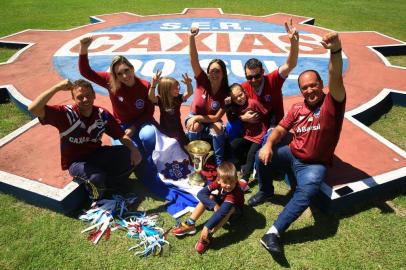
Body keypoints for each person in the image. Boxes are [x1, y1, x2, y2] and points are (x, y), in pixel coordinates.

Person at [248, 32, 346, 254]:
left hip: (314, 164)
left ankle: (273, 232)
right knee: (261, 156)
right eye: (304, 88)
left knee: (307, 192)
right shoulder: (297, 108)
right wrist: (268, 145)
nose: (309, 90)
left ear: (321, 84)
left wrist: (335, 50)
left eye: (313, 85)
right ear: (300, 90)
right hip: (292, 153)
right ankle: (266, 190)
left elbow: (336, 75)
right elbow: (281, 129)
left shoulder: (333, 103)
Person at [28, 79, 142, 200]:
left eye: (88, 95)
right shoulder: (65, 114)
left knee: (130, 154)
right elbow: (33, 109)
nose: (85, 99)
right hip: (76, 162)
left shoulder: (102, 114)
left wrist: (134, 150)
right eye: (80, 97)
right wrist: (56, 87)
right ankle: (97, 199)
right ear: (74, 99)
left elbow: (121, 135)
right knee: (96, 178)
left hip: (97, 154)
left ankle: (112, 186)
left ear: (94, 95)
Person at [79, 37, 156, 156]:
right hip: (122, 124)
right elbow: (86, 72)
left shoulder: (145, 86)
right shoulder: (110, 81)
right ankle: (119, 141)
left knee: (149, 136)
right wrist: (84, 48)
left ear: (132, 68)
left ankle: (153, 156)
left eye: (126, 70)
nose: (125, 76)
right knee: (126, 151)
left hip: (142, 122)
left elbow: (149, 112)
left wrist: (134, 127)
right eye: (119, 74)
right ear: (114, 75)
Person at [226, 18, 299, 140]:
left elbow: (290, 65)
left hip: (273, 125)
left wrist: (294, 42)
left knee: (267, 142)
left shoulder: (273, 79)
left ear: (263, 72)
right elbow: (233, 111)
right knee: (230, 127)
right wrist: (242, 118)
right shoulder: (243, 88)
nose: (253, 80)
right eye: (249, 77)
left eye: (257, 76)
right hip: (254, 126)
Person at [171, 161, 244, 254]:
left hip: (235, 211)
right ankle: (190, 223)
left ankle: (209, 235)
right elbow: (201, 193)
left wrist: (206, 227)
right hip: (223, 202)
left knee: (230, 209)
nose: (229, 185)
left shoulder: (234, 192)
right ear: (218, 180)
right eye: (225, 182)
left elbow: (222, 212)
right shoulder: (218, 181)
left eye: (232, 182)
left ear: (236, 179)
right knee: (208, 197)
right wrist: (213, 205)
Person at [185, 27, 229, 166]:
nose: (214, 74)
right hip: (194, 117)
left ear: (223, 74)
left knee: (218, 127)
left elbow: (216, 118)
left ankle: (219, 162)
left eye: (217, 71)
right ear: (208, 73)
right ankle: (195, 159)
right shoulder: (202, 80)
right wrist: (191, 38)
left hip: (211, 120)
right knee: (194, 125)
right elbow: (194, 60)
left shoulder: (226, 92)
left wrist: (199, 117)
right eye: (211, 71)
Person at [225, 83, 269, 191]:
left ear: (245, 92)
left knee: (251, 153)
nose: (239, 99)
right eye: (235, 98)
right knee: (233, 144)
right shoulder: (236, 107)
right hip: (247, 136)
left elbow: (266, 113)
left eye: (240, 95)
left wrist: (267, 130)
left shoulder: (253, 103)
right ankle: (244, 165)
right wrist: (228, 105)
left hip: (259, 136)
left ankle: (244, 180)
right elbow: (231, 117)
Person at [148, 70, 193, 146]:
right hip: (165, 130)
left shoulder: (178, 98)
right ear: (166, 90)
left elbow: (189, 93)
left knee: (183, 146)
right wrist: (153, 85)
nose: (178, 89)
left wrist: (188, 84)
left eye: (178, 87)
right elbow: (151, 97)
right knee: (169, 147)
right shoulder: (160, 99)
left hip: (178, 129)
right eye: (175, 88)